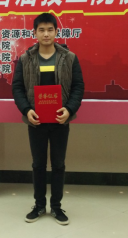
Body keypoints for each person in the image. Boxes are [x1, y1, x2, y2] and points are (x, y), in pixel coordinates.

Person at [12, 13, 85, 226]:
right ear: (35, 33)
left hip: (60, 120)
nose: (46, 34)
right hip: (36, 121)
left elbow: (78, 87)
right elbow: (17, 87)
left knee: (59, 164)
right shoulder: (26, 59)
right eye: (41, 30)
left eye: (50, 30)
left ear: (56, 32)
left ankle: (56, 206)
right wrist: (26, 110)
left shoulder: (69, 58)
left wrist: (69, 110)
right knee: (38, 164)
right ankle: (39, 205)